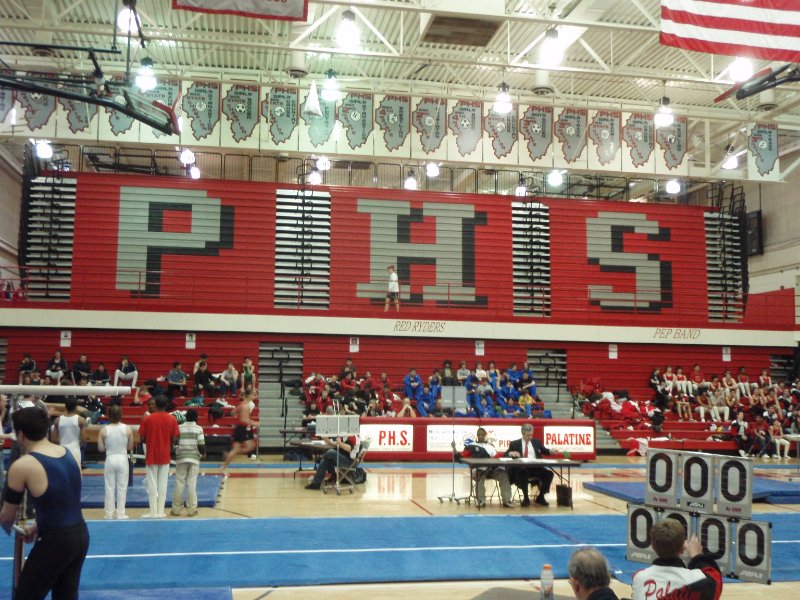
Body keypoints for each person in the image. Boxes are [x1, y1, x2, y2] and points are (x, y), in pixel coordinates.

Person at [0, 407, 90, 600]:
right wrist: (39, 525)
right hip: (80, 535)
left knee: (25, 596)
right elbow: (66, 500)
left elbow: (7, 517)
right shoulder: (67, 453)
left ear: (21, 435)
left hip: (56, 541)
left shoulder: (23, 465)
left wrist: (8, 525)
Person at [632, 518, 722, 600]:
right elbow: (715, 578)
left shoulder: (639, 577)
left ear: (652, 547)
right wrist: (697, 556)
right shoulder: (698, 579)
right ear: (683, 548)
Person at [138, 395, 179, 518]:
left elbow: (142, 438)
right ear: (166, 405)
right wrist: (167, 440)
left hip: (151, 455)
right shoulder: (172, 419)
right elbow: (175, 439)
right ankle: (160, 511)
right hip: (165, 455)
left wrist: (151, 440)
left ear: (155, 404)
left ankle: (153, 511)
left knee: (152, 484)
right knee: (163, 484)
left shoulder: (147, 419)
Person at [455, 427, 513, 508]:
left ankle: (507, 500)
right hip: (479, 470)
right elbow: (463, 456)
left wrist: (508, 454)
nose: (480, 436)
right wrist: (455, 452)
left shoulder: (490, 446)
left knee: (503, 474)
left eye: (482, 435)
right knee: (479, 476)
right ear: (477, 435)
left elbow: (497, 456)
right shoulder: (471, 446)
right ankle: (481, 500)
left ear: (485, 435)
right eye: (479, 435)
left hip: (492, 470)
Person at [505, 422, 554, 507]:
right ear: (523, 434)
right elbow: (506, 454)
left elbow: (545, 451)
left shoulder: (536, 442)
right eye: (528, 435)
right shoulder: (515, 444)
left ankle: (541, 497)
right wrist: (511, 453)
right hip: (522, 468)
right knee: (522, 473)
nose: (530, 437)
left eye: (531, 435)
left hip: (536, 468)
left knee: (549, 474)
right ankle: (526, 498)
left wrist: (551, 451)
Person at [98, 404, 134, 519]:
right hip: (122, 457)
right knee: (122, 486)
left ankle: (109, 513)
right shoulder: (127, 429)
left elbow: (100, 449)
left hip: (110, 458)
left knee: (109, 486)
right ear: (121, 415)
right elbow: (130, 447)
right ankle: (121, 513)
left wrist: (108, 446)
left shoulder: (103, 430)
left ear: (108, 415)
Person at [171, 409, 205, 517]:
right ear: (196, 418)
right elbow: (201, 445)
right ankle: (191, 510)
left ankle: (176, 510)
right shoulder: (199, 429)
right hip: (194, 458)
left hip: (181, 458)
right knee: (191, 483)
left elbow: (175, 441)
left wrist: (177, 449)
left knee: (179, 482)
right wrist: (203, 453)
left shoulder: (179, 428)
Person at [221, 390, 258, 469]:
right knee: (250, 447)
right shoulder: (245, 406)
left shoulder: (242, 404)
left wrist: (252, 422)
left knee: (237, 449)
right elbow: (243, 420)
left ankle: (224, 465)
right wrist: (254, 423)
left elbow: (233, 413)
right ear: (249, 395)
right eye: (254, 394)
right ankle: (228, 458)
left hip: (240, 428)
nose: (255, 396)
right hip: (242, 429)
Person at [50, 396, 86, 468]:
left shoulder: (57, 420)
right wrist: (77, 445)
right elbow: (83, 439)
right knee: (76, 473)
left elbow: (54, 439)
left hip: (62, 449)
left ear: (65, 407)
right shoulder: (81, 420)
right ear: (76, 407)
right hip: (75, 449)